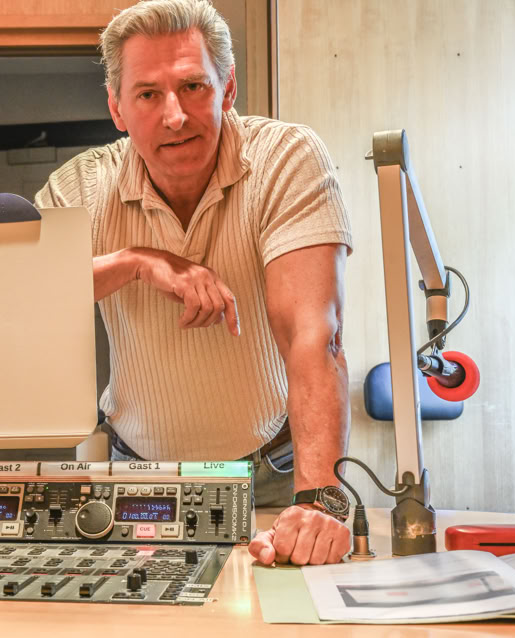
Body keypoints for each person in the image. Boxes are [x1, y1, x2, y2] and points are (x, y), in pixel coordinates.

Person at [34, 0, 353, 566]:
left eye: (193, 87)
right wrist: (137, 261)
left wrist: (317, 502)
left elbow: (313, 336)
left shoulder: (286, 158)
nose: (175, 116)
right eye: (147, 94)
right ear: (116, 108)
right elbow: (25, 298)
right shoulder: (79, 187)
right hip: (139, 475)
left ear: (227, 90)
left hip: (276, 474)